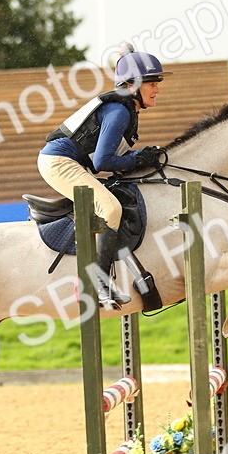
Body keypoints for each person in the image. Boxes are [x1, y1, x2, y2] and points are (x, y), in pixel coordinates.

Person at [39, 45, 172, 309]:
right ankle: (95, 281)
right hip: (59, 162)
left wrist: (141, 156)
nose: (157, 88)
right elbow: (102, 162)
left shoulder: (126, 109)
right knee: (111, 208)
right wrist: (138, 159)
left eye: (157, 82)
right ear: (133, 85)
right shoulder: (119, 111)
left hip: (70, 162)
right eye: (152, 83)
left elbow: (112, 157)